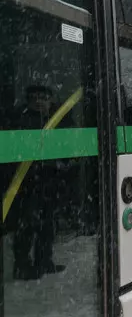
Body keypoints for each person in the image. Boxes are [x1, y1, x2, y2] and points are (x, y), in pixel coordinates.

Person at [10, 85, 68, 280]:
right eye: (34, 98)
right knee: (27, 224)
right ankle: (23, 265)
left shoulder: (55, 119)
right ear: (28, 100)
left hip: (49, 180)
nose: (39, 101)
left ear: (50, 100)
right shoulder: (23, 120)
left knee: (47, 224)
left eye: (43, 97)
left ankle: (44, 261)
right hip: (28, 182)